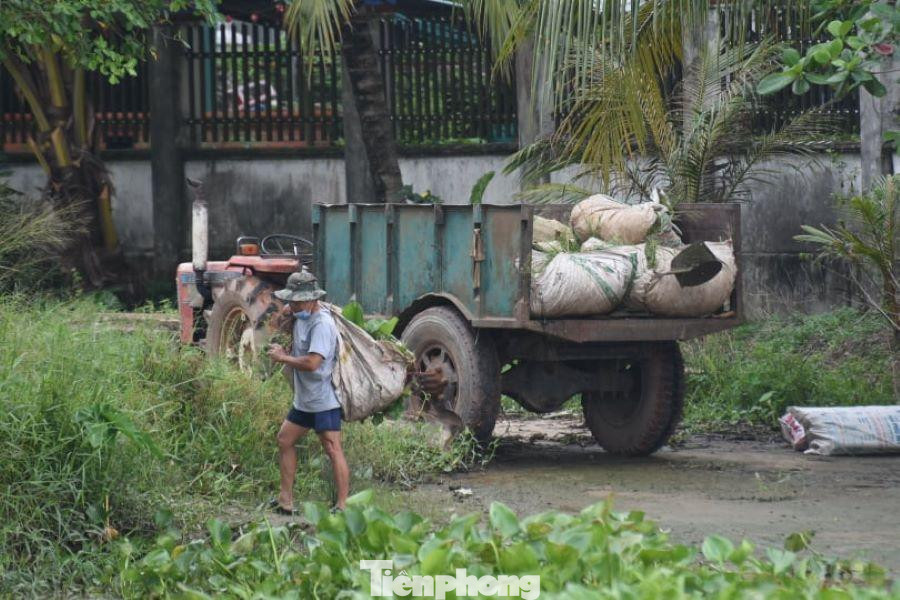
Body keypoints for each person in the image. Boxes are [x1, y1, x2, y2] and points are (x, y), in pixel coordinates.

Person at [266, 269, 349, 514]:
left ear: (311, 300)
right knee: (284, 440)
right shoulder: (299, 317)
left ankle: (343, 506)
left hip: (323, 400)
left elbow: (313, 363)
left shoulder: (322, 324)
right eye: (290, 300)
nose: (292, 304)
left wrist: (283, 358)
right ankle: (285, 499)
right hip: (304, 401)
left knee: (333, 449)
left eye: (296, 300)